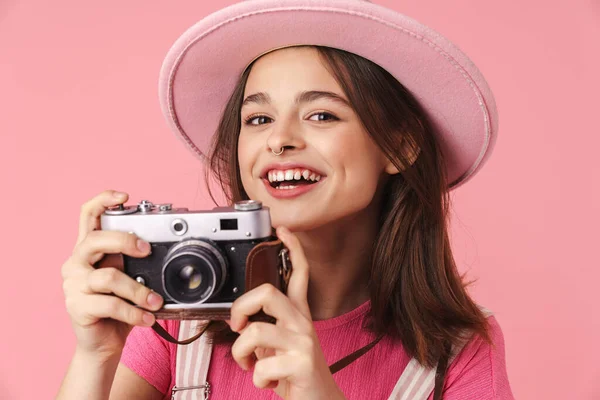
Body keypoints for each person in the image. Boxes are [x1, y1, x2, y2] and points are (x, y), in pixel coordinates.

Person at [57, 0, 514, 399]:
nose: (279, 139)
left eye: (321, 114)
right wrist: (94, 357)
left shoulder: (458, 355)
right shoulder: (180, 318)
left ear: (399, 146)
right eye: (257, 118)